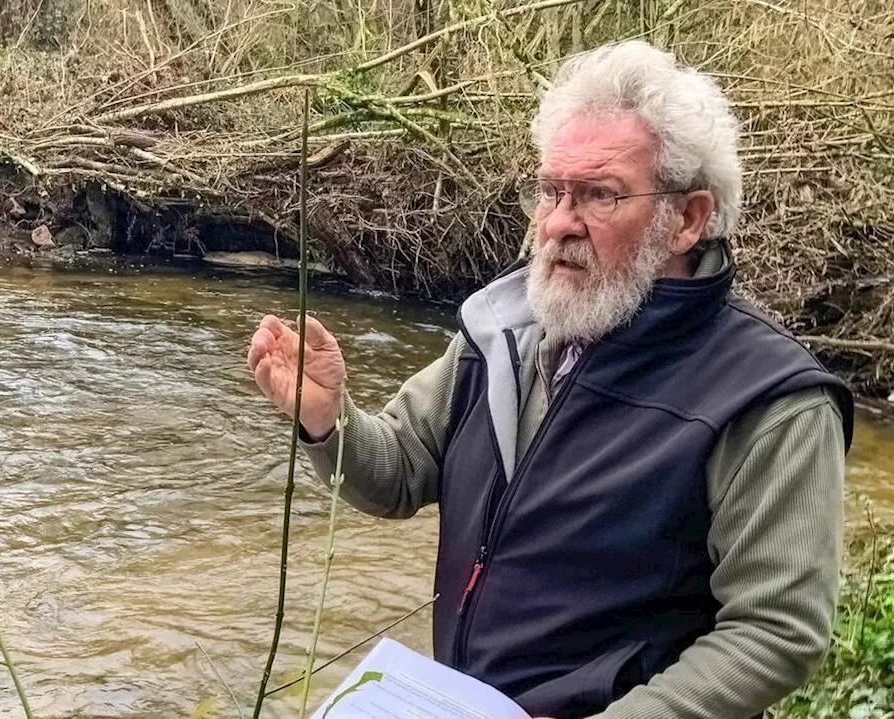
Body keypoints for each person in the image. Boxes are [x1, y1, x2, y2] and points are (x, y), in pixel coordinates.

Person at [248, 41, 853, 719]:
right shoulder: (502, 331)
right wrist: (329, 419)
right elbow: (393, 474)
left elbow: (777, 632)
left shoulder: (769, 399)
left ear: (687, 218)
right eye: (551, 190)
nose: (560, 222)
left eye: (599, 194)